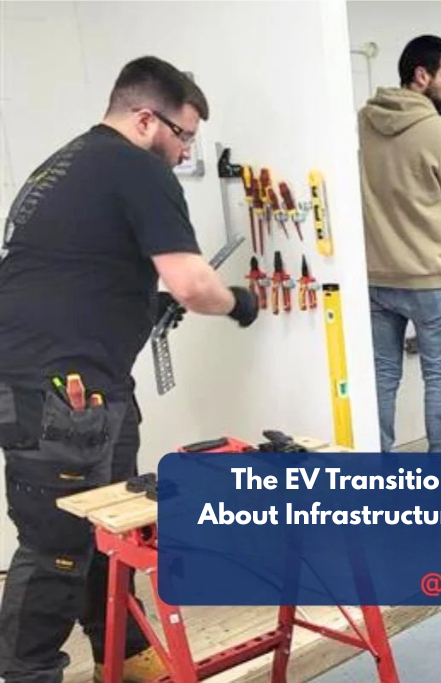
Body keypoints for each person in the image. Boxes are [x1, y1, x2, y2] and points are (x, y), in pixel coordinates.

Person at [0, 56, 259, 682]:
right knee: (58, 545)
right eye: (183, 136)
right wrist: (239, 304)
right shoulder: (135, 167)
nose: (183, 152)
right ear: (147, 119)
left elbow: (70, 266)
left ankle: (127, 658)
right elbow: (195, 284)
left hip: (74, 384)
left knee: (111, 528)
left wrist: (142, 297)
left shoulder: (62, 164)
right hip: (61, 390)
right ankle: (24, 674)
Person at [358, 35, 441, 453]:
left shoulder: (361, 123)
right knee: (439, 376)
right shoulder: (440, 133)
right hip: (429, 279)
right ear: (421, 75)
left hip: (375, 277)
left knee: (382, 377)